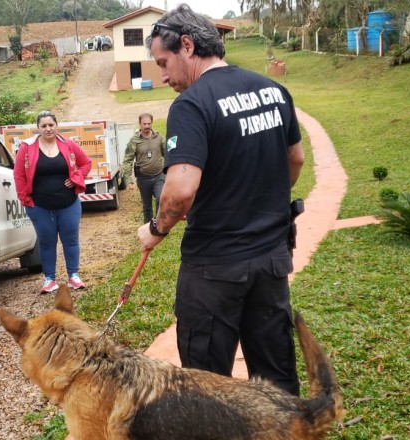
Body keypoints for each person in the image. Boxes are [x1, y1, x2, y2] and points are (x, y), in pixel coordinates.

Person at [137, 4, 306, 397]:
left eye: (164, 63)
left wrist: (155, 229)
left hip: (214, 269)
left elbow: (179, 190)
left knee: (207, 390)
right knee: (276, 380)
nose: (163, 76)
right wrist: (258, 199)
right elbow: (294, 160)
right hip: (270, 260)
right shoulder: (273, 90)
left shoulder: (192, 104)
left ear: (187, 45)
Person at [14, 110, 92, 293]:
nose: (48, 129)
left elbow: (86, 163)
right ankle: (49, 279)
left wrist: (76, 178)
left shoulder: (68, 144)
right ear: (38, 128)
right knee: (46, 242)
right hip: (40, 206)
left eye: (51, 125)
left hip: (69, 204)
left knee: (71, 240)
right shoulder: (27, 147)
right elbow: (18, 176)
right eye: (44, 126)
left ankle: (74, 276)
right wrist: (26, 200)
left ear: (57, 126)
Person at [123, 113, 166, 223]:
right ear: (140, 124)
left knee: (161, 198)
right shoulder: (134, 140)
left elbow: (167, 154)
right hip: (143, 179)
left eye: (149, 123)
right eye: (144, 124)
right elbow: (128, 160)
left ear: (152, 123)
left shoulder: (159, 137)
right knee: (147, 206)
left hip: (159, 176)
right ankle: (148, 226)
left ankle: (159, 224)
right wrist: (129, 180)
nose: (147, 126)